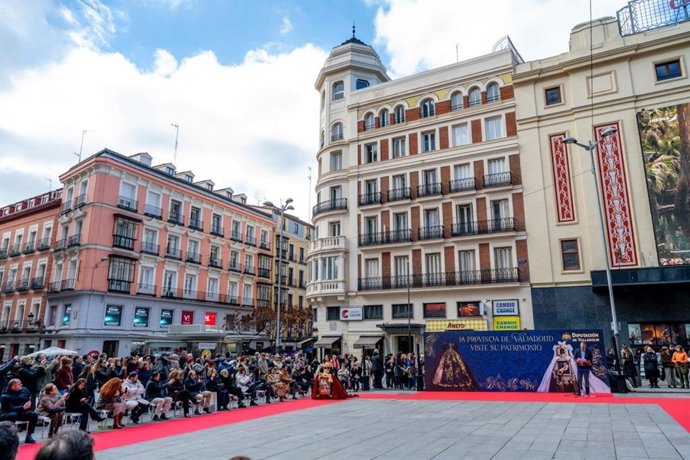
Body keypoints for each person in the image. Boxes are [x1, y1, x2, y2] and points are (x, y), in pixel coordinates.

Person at [0, 379, 38, 443]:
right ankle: (11, 436)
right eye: (19, 384)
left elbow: (30, 396)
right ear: (13, 386)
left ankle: (29, 436)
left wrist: (30, 402)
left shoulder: (24, 390)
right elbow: (10, 408)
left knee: (34, 414)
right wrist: (22, 407)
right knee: (13, 414)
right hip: (8, 413)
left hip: (22, 412)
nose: (21, 385)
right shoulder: (5, 395)